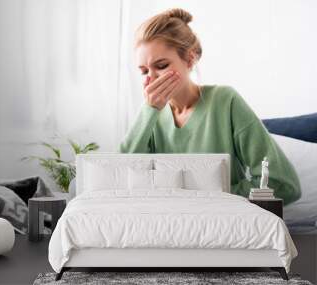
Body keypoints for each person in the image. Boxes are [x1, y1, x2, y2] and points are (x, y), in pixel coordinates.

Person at [119, 8, 301, 205]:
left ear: (189, 60)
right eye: (144, 71)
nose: (151, 79)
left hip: (226, 225)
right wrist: (149, 110)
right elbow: (120, 179)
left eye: (161, 66)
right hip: (169, 228)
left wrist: (214, 199)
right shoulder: (150, 119)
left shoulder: (225, 101)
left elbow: (284, 184)